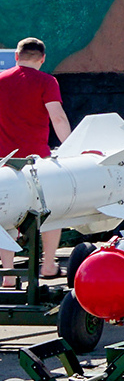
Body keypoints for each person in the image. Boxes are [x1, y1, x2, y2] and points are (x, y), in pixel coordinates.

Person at [0, 39, 72, 279]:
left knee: (6, 216)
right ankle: (48, 265)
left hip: (5, 162)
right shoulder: (47, 82)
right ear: (42, 59)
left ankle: (8, 275)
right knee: (51, 212)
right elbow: (58, 118)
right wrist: (71, 148)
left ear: (17, 56)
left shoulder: (1, 80)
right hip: (37, 163)